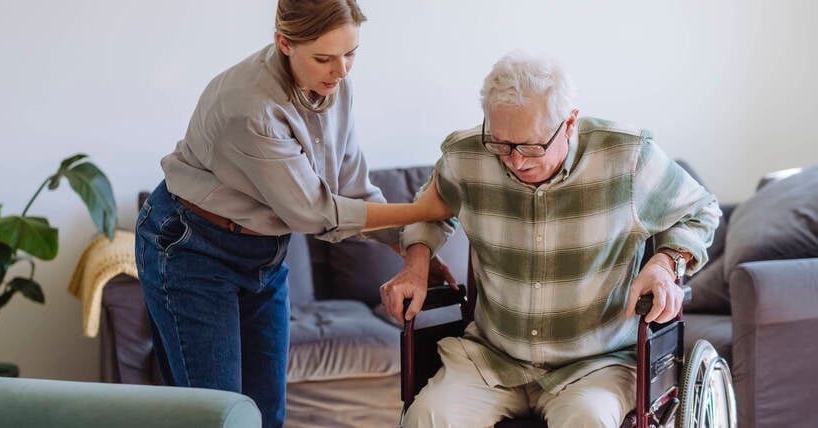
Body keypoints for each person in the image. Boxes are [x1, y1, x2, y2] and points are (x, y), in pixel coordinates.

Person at [134, 2, 451, 427]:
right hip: (193, 250)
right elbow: (315, 213)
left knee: (267, 416)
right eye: (324, 57)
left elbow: (352, 189)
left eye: (350, 53)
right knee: (216, 418)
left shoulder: (336, 86)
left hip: (265, 253)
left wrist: (412, 249)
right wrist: (424, 210)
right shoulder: (250, 107)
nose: (341, 71)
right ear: (284, 43)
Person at [380, 51, 721, 427]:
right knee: (427, 417)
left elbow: (700, 209)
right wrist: (415, 265)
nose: (515, 161)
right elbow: (427, 215)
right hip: (492, 358)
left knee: (588, 420)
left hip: (595, 365)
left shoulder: (627, 157)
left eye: (531, 146)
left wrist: (664, 262)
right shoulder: (466, 157)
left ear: (570, 123)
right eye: (501, 144)